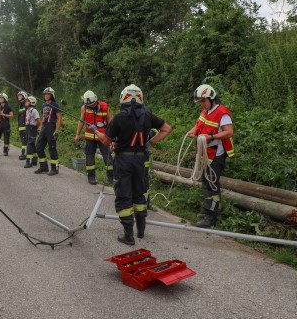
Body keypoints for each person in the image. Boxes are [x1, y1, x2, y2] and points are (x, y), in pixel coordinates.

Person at [95, 84, 172, 245]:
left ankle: (128, 235)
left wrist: (97, 132)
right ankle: (141, 231)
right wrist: (150, 142)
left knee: (124, 196)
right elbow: (166, 129)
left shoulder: (119, 117)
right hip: (141, 160)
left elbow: (106, 140)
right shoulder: (148, 115)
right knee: (140, 194)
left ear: (123, 97)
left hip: (124, 160)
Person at [187, 84, 234, 228]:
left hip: (216, 155)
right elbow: (200, 125)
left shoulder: (222, 113)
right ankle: (209, 210)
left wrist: (211, 137)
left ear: (211, 99)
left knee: (212, 185)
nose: (202, 104)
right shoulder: (205, 111)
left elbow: (229, 132)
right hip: (206, 155)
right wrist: (193, 131)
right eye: (200, 101)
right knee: (206, 183)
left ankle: (211, 217)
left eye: (203, 101)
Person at [74, 90, 113, 185]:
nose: (89, 107)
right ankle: (91, 177)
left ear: (95, 100)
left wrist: (111, 137)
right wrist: (77, 134)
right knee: (89, 157)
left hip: (102, 136)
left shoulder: (104, 107)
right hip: (89, 137)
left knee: (107, 157)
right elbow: (81, 121)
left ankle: (111, 178)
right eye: (88, 105)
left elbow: (110, 121)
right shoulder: (84, 107)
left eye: (91, 105)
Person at [34, 87, 62, 176]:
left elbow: (60, 119)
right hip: (44, 128)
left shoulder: (55, 105)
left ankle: (55, 168)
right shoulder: (43, 105)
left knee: (52, 148)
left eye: (48, 94)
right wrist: (40, 128)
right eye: (45, 94)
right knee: (38, 147)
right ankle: (44, 167)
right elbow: (43, 118)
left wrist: (56, 131)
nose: (46, 96)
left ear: (52, 95)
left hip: (51, 128)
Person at [23, 95, 41, 168]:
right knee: (32, 144)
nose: (26, 102)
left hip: (32, 128)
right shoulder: (27, 110)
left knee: (30, 144)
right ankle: (34, 160)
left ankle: (28, 161)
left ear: (32, 102)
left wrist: (35, 128)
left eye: (27, 101)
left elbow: (38, 121)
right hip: (28, 127)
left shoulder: (34, 111)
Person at [16, 91, 28, 160]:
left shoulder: (25, 104)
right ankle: (24, 154)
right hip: (21, 126)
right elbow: (19, 117)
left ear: (24, 96)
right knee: (23, 141)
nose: (18, 97)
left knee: (24, 141)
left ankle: (24, 154)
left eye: (20, 96)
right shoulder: (20, 105)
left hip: (25, 127)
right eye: (18, 96)